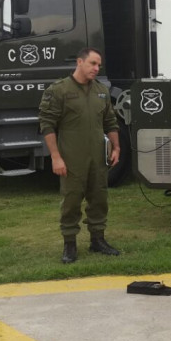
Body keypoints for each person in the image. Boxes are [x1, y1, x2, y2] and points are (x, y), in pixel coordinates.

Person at [39, 47, 121, 264]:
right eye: (93, 63)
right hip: (71, 157)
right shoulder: (60, 90)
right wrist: (56, 157)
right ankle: (70, 244)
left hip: (97, 157)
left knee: (99, 198)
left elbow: (110, 122)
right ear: (79, 62)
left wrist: (117, 148)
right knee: (71, 200)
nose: (96, 68)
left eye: (99, 65)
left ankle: (98, 240)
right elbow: (47, 125)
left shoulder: (101, 91)